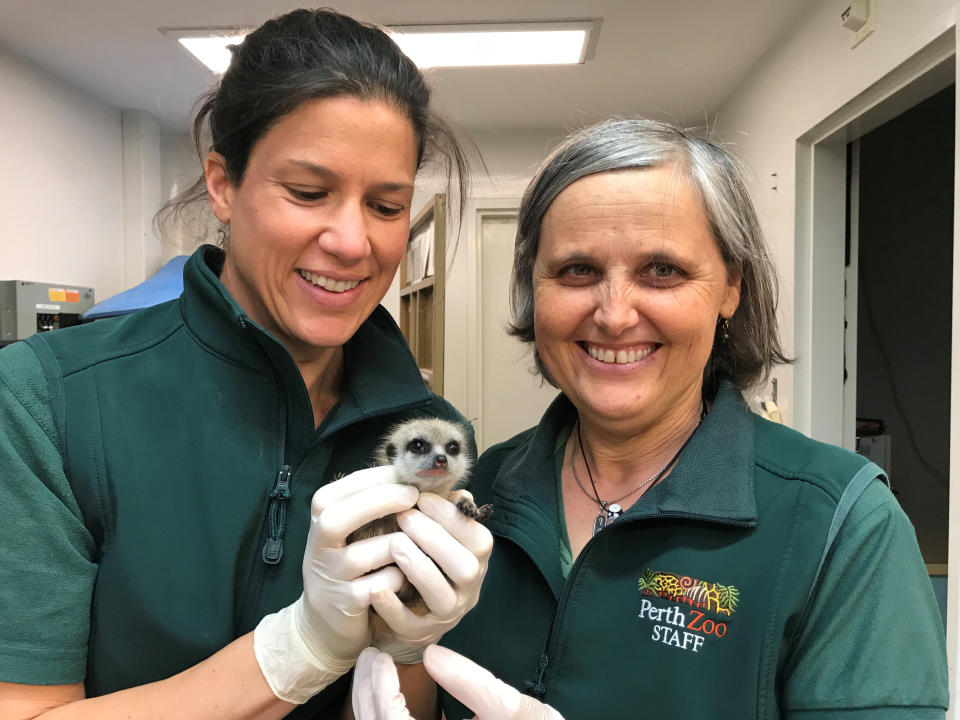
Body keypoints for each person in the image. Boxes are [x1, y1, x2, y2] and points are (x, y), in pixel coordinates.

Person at [351, 118, 950, 719]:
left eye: (662, 270)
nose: (614, 316)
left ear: (730, 289)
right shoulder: (467, 494)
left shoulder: (839, 523)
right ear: (535, 293)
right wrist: (394, 650)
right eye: (577, 270)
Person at [0, 8, 491, 719]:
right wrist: (300, 649)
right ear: (224, 186)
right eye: (308, 193)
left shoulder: (426, 433)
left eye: (386, 205)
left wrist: (409, 647)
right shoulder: (52, 400)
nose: (353, 241)